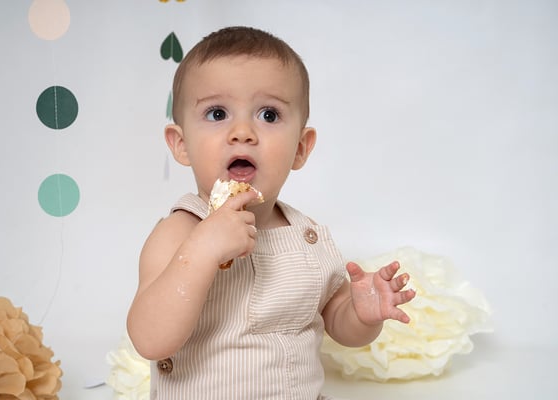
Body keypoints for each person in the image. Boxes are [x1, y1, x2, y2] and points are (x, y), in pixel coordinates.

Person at [127, 26, 416, 400]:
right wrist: (202, 249)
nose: (243, 132)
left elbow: (337, 323)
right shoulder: (179, 231)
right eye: (217, 113)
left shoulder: (306, 235)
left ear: (300, 148)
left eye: (268, 114)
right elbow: (150, 339)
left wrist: (360, 313)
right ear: (181, 145)